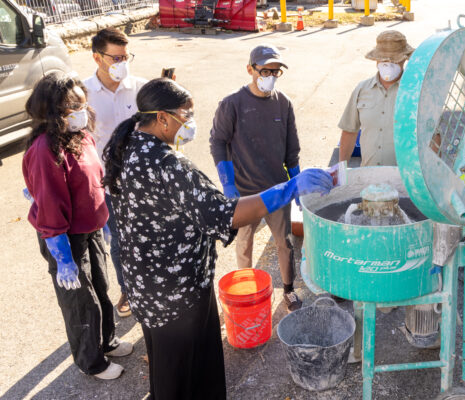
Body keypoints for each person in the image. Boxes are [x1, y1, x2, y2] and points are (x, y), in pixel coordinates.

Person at [102, 78, 333, 399]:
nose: (190, 123)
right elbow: (225, 215)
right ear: (162, 118)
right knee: (188, 376)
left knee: (166, 371)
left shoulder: (126, 146)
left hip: (145, 287)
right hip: (177, 294)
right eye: (186, 115)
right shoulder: (168, 164)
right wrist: (289, 188)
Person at [22, 73, 133, 380]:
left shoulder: (81, 136)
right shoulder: (46, 149)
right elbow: (49, 202)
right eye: (73, 106)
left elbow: (93, 181)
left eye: (83, 103)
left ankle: (107, 342)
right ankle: (91, 361)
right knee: (82, 303)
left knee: (101, 288)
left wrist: (104, 221)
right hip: (65, 237)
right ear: (52, 109)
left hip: (91, 228)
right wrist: (62, 257)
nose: (82, 111)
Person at [209, 44, 304, 313]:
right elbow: (218, 142)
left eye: (275, 72)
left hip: (277, 188)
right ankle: (246, 287)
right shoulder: (232, 104)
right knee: (244, 241)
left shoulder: (283, 103)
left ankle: (288, 289)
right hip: (245, 191)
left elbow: (292, 147)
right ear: (250, 69)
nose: (270, 76)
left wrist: (296, 179)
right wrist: (227, 183)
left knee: (284, 242)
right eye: (265, 71)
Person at [83, 27, 147, 317]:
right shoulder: (83, 94)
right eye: (116, 57)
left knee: (150, 235)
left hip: (145, 180)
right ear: (98, 58)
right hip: (109, 184)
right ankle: (128, 290)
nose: (123, 63)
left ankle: (152, 285)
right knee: (120, 240)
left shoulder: (141, 89)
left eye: (126, 56)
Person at [338, 30, 414, 167]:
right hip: (369, 177)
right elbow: (349, 131)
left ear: (404, 59)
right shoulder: (362, 90)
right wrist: (341, 170)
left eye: (393, 60)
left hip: (404, 180)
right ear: (376, 59)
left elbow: (432, 138)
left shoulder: (414, 92)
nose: (388, 64)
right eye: (383, 60)